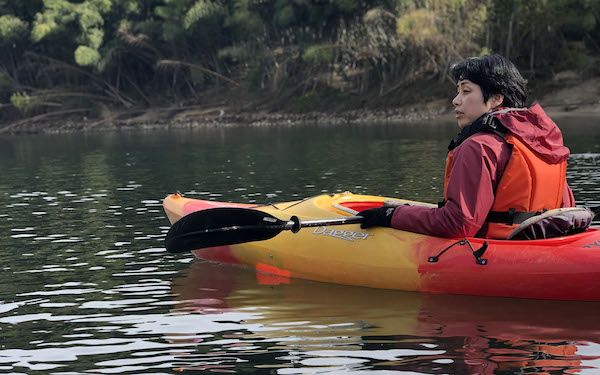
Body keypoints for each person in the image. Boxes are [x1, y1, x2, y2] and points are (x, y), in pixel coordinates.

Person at [357, 54, 575, 239]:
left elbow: (458, 224)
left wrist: (391, 216)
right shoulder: (544, 142)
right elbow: (566, 208)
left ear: (496, 98)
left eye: (466, 91)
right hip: (546, 242)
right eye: (458, 92)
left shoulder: (478, 146)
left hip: (499, 251)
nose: (455, 100)